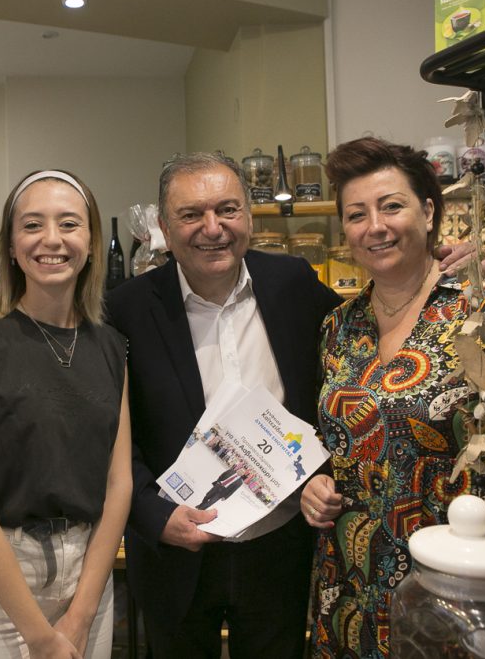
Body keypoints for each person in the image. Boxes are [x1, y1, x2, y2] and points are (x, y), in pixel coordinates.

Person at [300, 136, 485, 659]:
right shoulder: (338, 327)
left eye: (391, 206)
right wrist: (317, 484)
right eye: (356, 214)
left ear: (428, 212)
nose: (375, 226)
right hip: (349, 592)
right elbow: (339, 446)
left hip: (462, 597)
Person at [105, 151, 344, 658]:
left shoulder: (293, 283)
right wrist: (153, 515)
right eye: (191, 214)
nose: (212, 228)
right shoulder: (126, 308)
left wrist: (432, 267)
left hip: (281, 546)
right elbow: (110, 433)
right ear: (164, 228)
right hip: (176, 552)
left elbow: (363, 332)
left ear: (248, 217)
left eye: (227, 210)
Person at [0, 170, 131, 659]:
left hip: (89, 575)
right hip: (3, 582)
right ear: (11, 246)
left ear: (91, 242)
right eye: (32, 225)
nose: (52, 239)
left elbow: (119, 484)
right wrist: (40, 636)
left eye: (69, 224)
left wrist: (82, 613)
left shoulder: (112, 346)